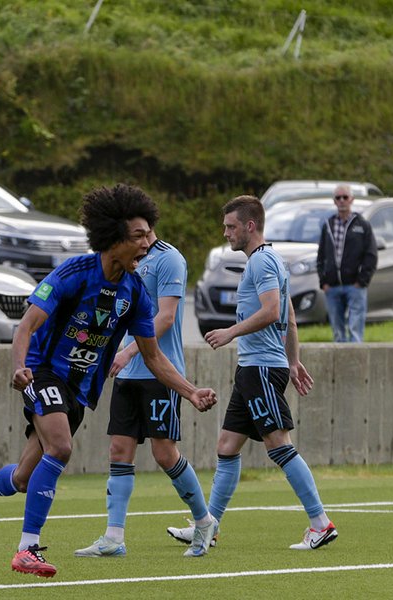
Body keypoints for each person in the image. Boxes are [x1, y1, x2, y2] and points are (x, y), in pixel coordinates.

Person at [0, 184, 218, 578]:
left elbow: (154, 356)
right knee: (61, 447)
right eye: (138, 236)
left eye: (148, 235)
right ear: (114, 238)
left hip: (79, 390)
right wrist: (19, 366)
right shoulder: (74, 274)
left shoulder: (135, 293)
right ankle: (27, 550)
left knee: (22, 478)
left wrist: (191, 392)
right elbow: (26, 326)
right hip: (42, 372)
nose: (146, 244)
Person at [168, 195, 336, 551]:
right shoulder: (269, 260)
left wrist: (231, 332)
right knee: (227, 446)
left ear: (250, 225)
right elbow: (289, 316)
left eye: (231, 226)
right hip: (253, 368)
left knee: (278, 444)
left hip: (261, 369)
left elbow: (273, 311)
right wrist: (293, 361)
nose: (225, 233)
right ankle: (208, 526)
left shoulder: (261, 261)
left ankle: (320, 523)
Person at [74, 230, 218, 559]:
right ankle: (114, 537)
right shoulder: (126, 259)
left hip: (160, 373)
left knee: (165, 454)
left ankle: (204, 521)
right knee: (119, 450)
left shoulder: (170, 258)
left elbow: (166, 317)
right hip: (127, 375)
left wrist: (127, 352)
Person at [316, 184, 378, 342]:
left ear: (351, 199)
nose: (342, 200)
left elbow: (371, 255)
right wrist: (323, 281)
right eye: (338, 197)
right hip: (332, 286)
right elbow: (321, 255)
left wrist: (362, 281)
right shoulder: (328, 225)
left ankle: (356, 356)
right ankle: (340, 356)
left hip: (355, 286)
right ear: (334, 201)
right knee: (338, 332)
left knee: (355, 330)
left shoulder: (362, 225)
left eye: (345, 197)